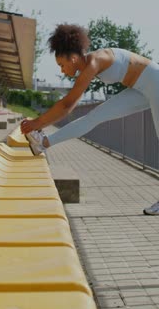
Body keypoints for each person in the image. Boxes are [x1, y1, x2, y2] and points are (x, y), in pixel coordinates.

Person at [21, 23, 159, 215]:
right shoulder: (90, 63)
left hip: (157, 85)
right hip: (140, 90)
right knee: (94, 117)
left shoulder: (94, 63)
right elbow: (67, 104)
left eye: (62, 64)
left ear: (74, 57)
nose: (62, 70)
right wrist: (38, 125)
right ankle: (43, 142)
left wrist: (36, 123)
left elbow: (68, 105)